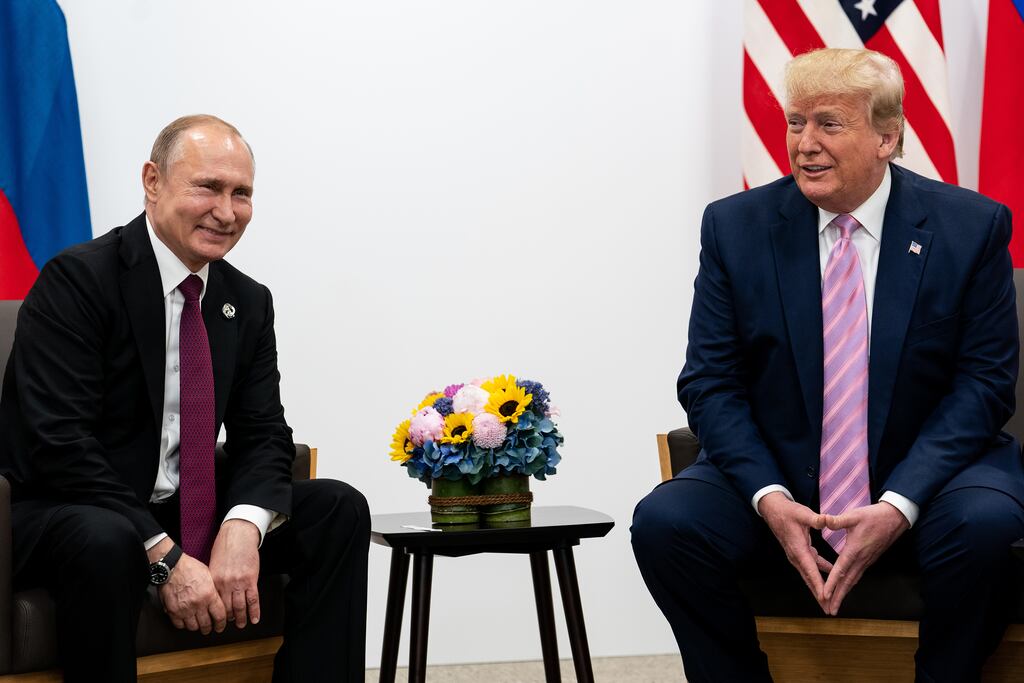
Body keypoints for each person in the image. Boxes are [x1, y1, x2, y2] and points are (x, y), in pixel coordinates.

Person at [631, 48, 1024, 682]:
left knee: (986, 526)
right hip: (781, 474)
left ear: (886, 137)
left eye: (829, 124)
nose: (805, 144)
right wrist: (768, 496)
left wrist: (898, 503)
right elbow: (710, 382)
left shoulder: (970, 228)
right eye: (796, 122)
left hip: (929, 476)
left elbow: (984, 385)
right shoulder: (735, 227)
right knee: (666, 524)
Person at [0, 114, 370, 682]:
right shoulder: (78, 280)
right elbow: (58, 443)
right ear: (153, 182)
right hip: (66, 510)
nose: (226, 211)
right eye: (208, 187)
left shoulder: (247, 301)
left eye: (241, 193)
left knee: (337, 509)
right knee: (107, 538)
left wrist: (244, 528)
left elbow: (264, 433)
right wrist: (165, 557)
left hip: (178, 507)